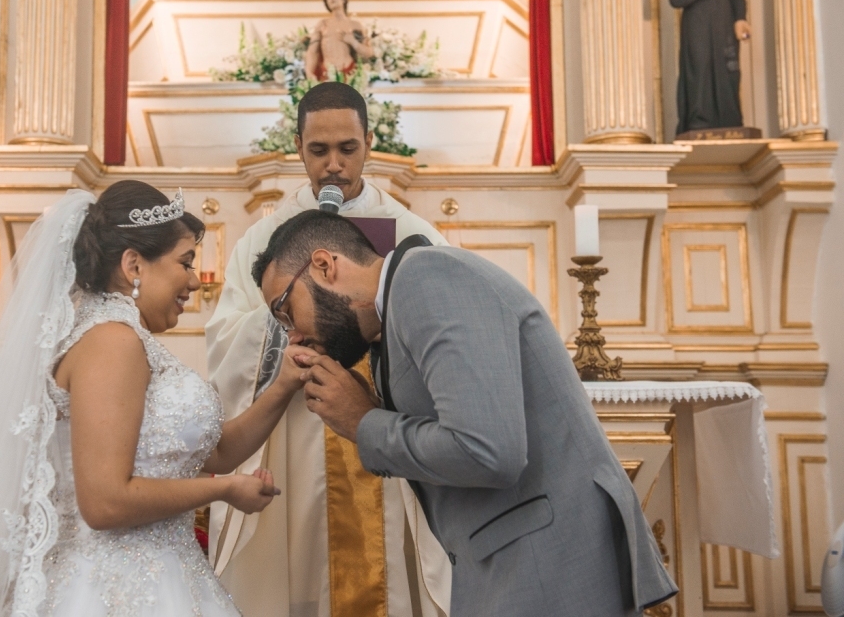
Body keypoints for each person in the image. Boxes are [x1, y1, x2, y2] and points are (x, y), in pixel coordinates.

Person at [0, 180, 315, 616]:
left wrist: (282, 384)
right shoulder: (112, 342)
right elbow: (105, 502)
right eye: (185, 262)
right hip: (114, 589)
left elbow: (219, 452)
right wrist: (224, 491)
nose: (193, 279)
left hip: (164, 575)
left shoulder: (126, 338)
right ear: (134, 264)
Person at [252, 210, 680, 617]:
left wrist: (366, 422)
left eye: (286, 312)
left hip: (548, 561)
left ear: (325, 265)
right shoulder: (395, 312)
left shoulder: (427, 277)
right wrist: (372, 410)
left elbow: (488, 449)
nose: (295, 337)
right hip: (516, 555)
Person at [205, 82, 451, 617]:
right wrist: (288, 328)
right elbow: (226, 338)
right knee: (299, 571)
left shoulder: (412, 233)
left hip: (386, 419)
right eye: (319, 151)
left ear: (368, 143)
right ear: (298, 147)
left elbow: (445, 329)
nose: (334, 165)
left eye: (348, 148)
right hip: (298, 433)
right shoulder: (264, 239)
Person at [668, 0, 751, 134]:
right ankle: (699, 121)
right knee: (699, 72)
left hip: (724, 31)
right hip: (697, 31)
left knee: (728, 73)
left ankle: (730, 119)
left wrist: (740, 19)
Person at [304, 0, 374, 82]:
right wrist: (309, 72)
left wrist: (353, 42)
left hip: (349, 72)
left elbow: (369, 53)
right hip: (328, 73)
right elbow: (313, 51)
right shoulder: (323, 24)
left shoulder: (355, 25)